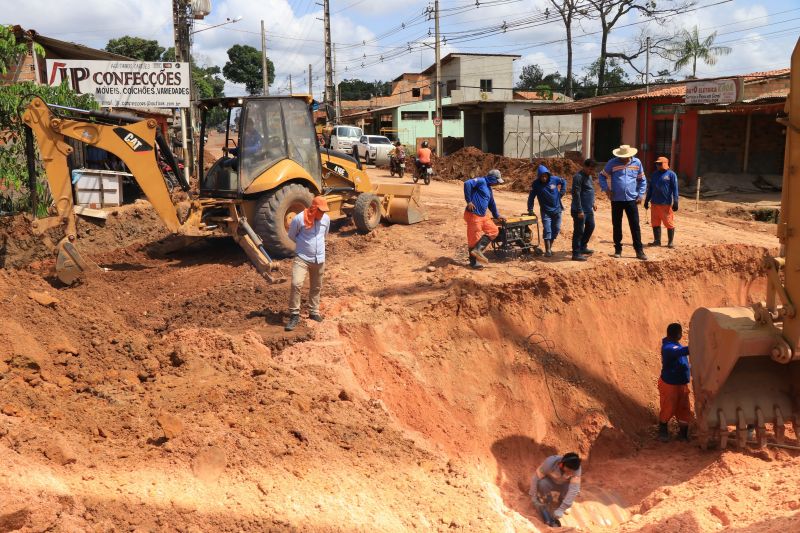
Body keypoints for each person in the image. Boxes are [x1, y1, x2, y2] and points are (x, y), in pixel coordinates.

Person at [285, 196, 331, 331]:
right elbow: (291, 235)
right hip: (302, 257)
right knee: (296, 284)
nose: (323, 213)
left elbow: (324, 236)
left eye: (324, 211)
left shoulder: (326, 219)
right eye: (320, 211)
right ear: (314, 208)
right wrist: (304, 245)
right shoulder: (299, 219)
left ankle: (313, 312)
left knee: (316, 286)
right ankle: (294, 315)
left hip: (319, 259)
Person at [599, 144, 648, 261]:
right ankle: (618, 249)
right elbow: (602, 176)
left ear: (630, 155)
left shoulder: (637, 163)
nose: (623, 158)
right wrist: (606, 190)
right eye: (621, 156)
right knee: (617, 225)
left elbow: (642, 180)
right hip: (616, 199)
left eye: (625, 156)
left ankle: (639, 251)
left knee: (635, 225)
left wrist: (641, 195)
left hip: (632, 200)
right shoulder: (612, 163)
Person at [463, 169, 505, 269]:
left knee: (494, 230)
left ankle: (478, 250)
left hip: (482, 215)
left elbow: (491, 203)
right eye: (496, 181)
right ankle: (473, 262)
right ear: (492, 178)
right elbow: (467, 183)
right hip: (473, 215)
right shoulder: (481, 181)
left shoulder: (489, 188)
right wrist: (469, 201)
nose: (497, 184)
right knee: (474, 239)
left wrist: (497, 215)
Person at [658, 322, 692, 442]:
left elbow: (682, 359)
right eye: (680, 333)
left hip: (681, 384)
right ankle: (662, 431)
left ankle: (683, 435)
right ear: (678, 334)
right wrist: (698, 345)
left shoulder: (677, 345)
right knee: (668, 408)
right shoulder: (668, 347)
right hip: (670, 385)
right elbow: (681, 351)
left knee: (684, 410)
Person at [527, 165, 567, 257]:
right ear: (539, 176)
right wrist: (530, 209)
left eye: (545, 176)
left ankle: (550, 247)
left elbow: (563, 181)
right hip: (545, 211)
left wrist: (562, 192)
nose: (544, 178)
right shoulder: (536, 184)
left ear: (548, 175)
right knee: (547, 229)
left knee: (556, 229)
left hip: (557, 210)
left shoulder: (554, 179)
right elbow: (531, 197)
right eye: (542, 176)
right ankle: (548, 250)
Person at [529, 453, 582, 522]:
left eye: (572, 472)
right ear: (561, 464)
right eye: (568, 470)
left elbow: (574, 490)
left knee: (573, 489)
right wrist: (533, 496)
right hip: (550, 482)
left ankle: (562, 500)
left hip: (565, 486)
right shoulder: (550, 462)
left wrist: (562, 509)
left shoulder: (576, 469)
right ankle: (547, 498)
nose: (570, 473)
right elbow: (536, 478)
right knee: (542, 483)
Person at [644, 156, 679, 248]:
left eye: (659, 164)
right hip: (654, 203)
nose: (657, 165)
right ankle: (657, 241)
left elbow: (675, 189)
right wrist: (646, 200)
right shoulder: (654, 174)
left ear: (665, 164)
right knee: (655, 222)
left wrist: (676, 201)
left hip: (665, 204)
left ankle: (670, 242)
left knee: (669, 222)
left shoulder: (671, 174)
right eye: (656, 164)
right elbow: (650, 188)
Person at [570, 159, 597, 262]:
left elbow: (590, 190)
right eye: (590, 169)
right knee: (579, 231)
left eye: (593, 169)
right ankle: (576, 253)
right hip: (579, 210)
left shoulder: (589, 176)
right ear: (584, 166)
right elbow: (576, 194)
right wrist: (579, 210)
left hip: (588, 209)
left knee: (591, 226)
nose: (591, 171)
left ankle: (582, 246)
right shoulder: (578, 177)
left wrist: (593, 202)